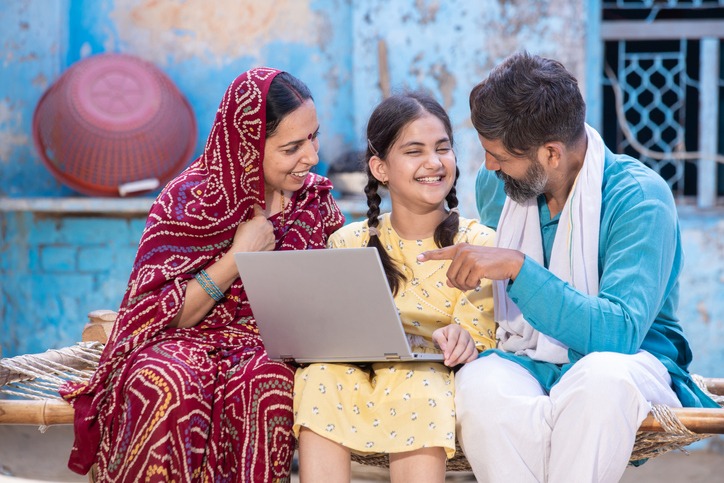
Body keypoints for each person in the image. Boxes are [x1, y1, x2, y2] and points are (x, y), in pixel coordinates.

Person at [418, 51, 720, 482]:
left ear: (552, 154)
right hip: (524, 356)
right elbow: (487, 302)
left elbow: (618, 334)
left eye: (499, 155)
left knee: (600, 381)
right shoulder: (498, 186)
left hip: (633, 360)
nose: (488, 166)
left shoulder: (639, 199)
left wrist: (519, 269)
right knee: (479, 384)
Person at [59, 67, 345, 482]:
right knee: (164, 383)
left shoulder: (314, 202)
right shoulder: (186, 200)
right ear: (247, 147)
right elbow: (156, 315)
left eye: (314, 136)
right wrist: (238, 257)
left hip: (271, 349)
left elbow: (335, 297)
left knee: (263, 386)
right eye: (292, 147)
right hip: (180, 339)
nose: (313, 157)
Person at [293, 92, 497, 483]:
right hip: (360, 375)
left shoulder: (477, 245)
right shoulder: (347, 243)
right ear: (380, 168)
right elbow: (333, 333)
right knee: (319, 375)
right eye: (414, 151)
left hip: (433, 379)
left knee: (420, 382)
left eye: (443, 148)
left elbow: (482, 333)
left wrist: (464, 339)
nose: (434, 163)